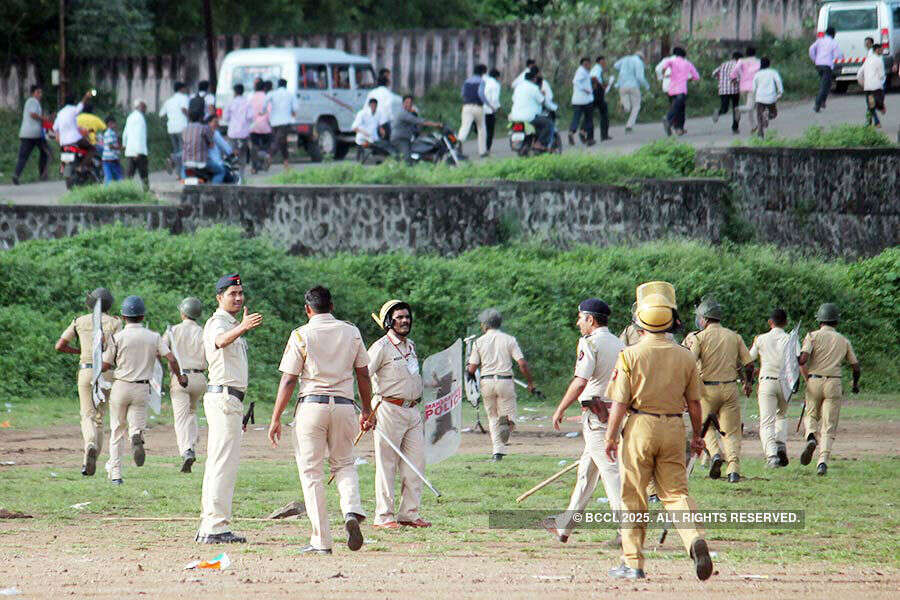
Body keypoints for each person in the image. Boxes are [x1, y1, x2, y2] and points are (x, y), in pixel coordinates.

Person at [604, 281, 713, 581]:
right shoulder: (685, 356)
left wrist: (610, 437)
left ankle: (633, 563)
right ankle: (693, 538)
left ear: (639, 320)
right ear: (671, 320)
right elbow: (695, 403)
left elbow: (619, 403)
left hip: (640, 427)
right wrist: (697, 436)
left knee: (634, 496)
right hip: (674, 427)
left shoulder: (629, 355)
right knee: (676, 493)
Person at [268, 286, 372, 554]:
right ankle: (351, 510)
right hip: (344, 406)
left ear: (307, 309)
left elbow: (289, 379)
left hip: (312, 407)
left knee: (312, 472)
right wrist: (367, 409)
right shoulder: (351, 332)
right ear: (332, 306)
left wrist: (276, 417)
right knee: (344, 463)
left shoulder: (301, 334)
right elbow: (363, 374)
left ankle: (321, 541)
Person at [545, 299, 624, 545]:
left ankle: (627, 531)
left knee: (611, 473)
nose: (578, 322)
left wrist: (560, 408)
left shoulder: (589, 343)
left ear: (590, 319)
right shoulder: (620, 343)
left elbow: (581, 381)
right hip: (615, 413)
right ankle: (564, 527)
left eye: (581, 318)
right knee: (586, 474)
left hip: (597, 417)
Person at [197, 274, 263, 544]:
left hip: (230, 399)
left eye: (240, 293)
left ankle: (208, 524)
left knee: (218, 462)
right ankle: (215, 527)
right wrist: (243, 327)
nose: (238, 297)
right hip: (223, 397)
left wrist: (241, 327)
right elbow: (220, 340)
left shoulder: (231, 324)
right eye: (232, 293)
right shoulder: (218, 322)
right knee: (223, 464)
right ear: (219, 298)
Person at [101, 295, 187, 485]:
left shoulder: (117, 337)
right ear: (142, 316)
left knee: (117, 430)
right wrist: (180, 376)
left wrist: (100, 354)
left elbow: (105, 365)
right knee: (136, 426)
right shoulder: (153, 337)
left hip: (121, 386)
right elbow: (171, 358)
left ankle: (116, 474)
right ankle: (136, 436)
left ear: (124, 317)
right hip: (142, 388)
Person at [367, 300, 430, 530]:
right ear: (388, 322)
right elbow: (363, 375)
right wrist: (367, 410)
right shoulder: (380, 347)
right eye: (399, 317)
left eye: (407, 317)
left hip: (413, 410)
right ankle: (384, 516)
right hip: (387, 409)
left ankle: (409, 514)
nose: (405, 321)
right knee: (387, 464)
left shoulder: (410, 346)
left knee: (416, 463)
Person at [683, 298, 753, 483]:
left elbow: (690, 362)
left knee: (705, 427)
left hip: (706, 389)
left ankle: (715, 454)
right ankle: (733, 470)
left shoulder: (699, 337)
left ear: (704, 319)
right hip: (730, 388)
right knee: (731, 431)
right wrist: (748, 383)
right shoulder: (734, 336)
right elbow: (749, 364)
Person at [54, 288, 122, 477]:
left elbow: (60, 345)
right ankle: (89, 460)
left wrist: (79, 352)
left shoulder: (79, 321)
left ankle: (89, 444)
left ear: (90, 303)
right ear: (109, 304)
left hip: (86, 370)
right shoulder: (115, 322)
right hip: (106, 372)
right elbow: (119, 347)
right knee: (99, 418)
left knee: (87, 415)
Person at [798, 303, 860, 476]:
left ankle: (811, 435)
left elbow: (803, 360)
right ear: (836, 322)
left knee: (811, 414)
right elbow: (856, 367)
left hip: (814, 381)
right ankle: (822, 461)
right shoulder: (843, 340)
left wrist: (796, 357)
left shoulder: (812, 336)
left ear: (820, 321)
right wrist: (855, 384)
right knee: (829, 424)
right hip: (834, 383)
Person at [466, 308, 535, 461]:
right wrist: (530, 383)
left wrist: (468, 372)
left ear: (485, 325)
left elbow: (472, 368)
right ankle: (507, 423)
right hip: (505, 381)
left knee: (492, 417)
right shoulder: (509, 340)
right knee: (509, 414)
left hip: (487, 381)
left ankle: (497, 452)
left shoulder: (479, 342)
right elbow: (522, 364)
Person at [163, 297, 208, 473]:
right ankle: (192, 441)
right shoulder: (203, 332)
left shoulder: (173, 330)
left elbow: (162, 350)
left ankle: (187, 450)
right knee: (192, 412)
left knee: (181, 418)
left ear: (183, 312)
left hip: (180, 377)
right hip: (199, 378)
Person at [748, 308, 792, 468]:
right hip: (785, 382)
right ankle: (780, 444)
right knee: (782, 416)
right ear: (785, 322)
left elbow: (749, 358)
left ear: (770, 322)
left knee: (767, 422)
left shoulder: (761, 339)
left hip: (767, 381)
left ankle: (772, 456)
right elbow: (796, 360)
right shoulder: (790, 339)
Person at [13, 84, 50, 184]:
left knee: (23, 156)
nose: (40, 94)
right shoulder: (33, 101)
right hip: (35, 134)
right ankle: (42, 174)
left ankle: (16, 175)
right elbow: (33, 114)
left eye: (41, 92)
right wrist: (44, 118)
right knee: (46, 152)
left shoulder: (30, 102)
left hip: (26, 134)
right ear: (33, 93)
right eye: (38, 92)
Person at [508, 69, 553, 151]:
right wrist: (551, 106)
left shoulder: (518, 88)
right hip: (530, 118)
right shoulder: (534, 88)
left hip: (515, 117)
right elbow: (543, 101)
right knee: (548, 124)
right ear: (534, 79)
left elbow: (513, 99)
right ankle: (539, 143)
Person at [659, 48, 699, 137]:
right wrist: (688, 78)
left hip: (671, 90)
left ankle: (676, 128)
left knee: (675, 107)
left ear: (675, 54)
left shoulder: (671, 61)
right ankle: (670, 120)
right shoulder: (687, 63)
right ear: (684, 55)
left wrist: (664, 74)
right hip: (681, 90)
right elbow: (696, 77)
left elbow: (664, 67)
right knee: (680, 110)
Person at [390, 95, 441, 163]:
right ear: (403, 103)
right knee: (407, 158)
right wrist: (436, 124)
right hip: (400, 139)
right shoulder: (403, 113)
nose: (409, 104)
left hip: (406, 139)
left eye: (410, 103)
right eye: (407, 102)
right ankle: (407, 167)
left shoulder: (409, 114)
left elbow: (416, 128)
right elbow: (419, 121)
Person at [182, 112, 224, 183]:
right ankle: (214, 189)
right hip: (201, 162)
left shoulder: (184, 129)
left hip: (187, 161)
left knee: (184, 169)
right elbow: (211, 145)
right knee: (221, 171)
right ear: (201, 117)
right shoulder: (204, 128)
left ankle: (184, 185)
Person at [614, 51, 650, 133]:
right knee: (636, 106)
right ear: (641, 58)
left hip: (622, 85)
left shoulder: (625, 59)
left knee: (627, 107)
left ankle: (624, 107)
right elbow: (639, 77)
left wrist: (623, 70)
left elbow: (615, 65)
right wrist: (647, 86)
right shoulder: (639, 62)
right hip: (633, 86)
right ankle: (629, 126)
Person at [458, 64, 489, 158]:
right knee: (481, 128)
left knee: (465, 127)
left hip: (466, 106)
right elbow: (481, 94)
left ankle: (457, 146)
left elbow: (462, 93)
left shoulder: (467, 81)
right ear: (483, 72)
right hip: (478, 107)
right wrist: (488, 104)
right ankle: (482, 151)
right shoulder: (481, 81)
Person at [809, 27, 843, 112]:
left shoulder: (820, 40)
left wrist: (814, 59)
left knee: (826, 84)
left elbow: (811, 49)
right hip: (827, 65)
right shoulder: (833, 42)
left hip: (818, 65)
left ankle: (822, 102)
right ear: (833, 34)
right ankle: (817, 104)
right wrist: (839, 59)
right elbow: (838, 55)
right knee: (824, 85)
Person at [52, 90, 95, 158]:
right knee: (92, 149)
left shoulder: (60, 113)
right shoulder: (73, 109)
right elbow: (81, 104)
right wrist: (86, 96)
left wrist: (59, 138)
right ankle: (82, 164)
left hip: (63, 142)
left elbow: (54, 128)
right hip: (75, 140)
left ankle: (65, 163)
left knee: (64, 159)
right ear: (74, 102)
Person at [159, 82, 190, 176]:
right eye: (185, 88)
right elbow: (184, 110)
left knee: (177, 150)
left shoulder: (169, 100)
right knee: (183, 151)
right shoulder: (184, 98)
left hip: (171, 129)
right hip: (182, 127)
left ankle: (178, 173)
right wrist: (190, 118)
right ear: (181, 89)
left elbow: (161, 114)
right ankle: (173, 162)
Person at [224, 84, 253, 177]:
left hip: (232, 133)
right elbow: (250, 117)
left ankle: (232, 175)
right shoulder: (247, 102)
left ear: (235, 92)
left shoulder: (230, 102)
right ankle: (241, 175)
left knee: (231, 153)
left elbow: (225, 117)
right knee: (243, 154)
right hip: (243, 133)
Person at [268, 79, 297, 168]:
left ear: (278, 85)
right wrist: (292, 115)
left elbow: (265, 103)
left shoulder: (272, 94)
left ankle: (286, 162)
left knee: (282, 141)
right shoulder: (290, 94)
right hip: (285, 122)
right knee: (279, 141)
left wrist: (263, 112)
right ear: (286, 85)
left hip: (273, 122)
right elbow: (295, 108)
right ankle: (269, 157)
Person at [122, 99, 149, 191]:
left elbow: (125, 133)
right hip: (139, 151)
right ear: (140, 106)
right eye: (144, 107)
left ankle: (125, 192)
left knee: (129, 175)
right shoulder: (140, 118)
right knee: (144, 175)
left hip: (130, 150)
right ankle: (146, 192)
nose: (145, 109)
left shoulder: (130, 117)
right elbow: (139, 135)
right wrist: (138, 151)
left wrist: (124, 145)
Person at [752, 57, 783, 139]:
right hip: (771, 98)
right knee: (774, 114)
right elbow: (778, 81)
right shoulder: (773, 72)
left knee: (759, 116)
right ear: (769, 64)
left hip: (760, 98)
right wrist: (780, 92)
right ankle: (768, 116)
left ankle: (760, 134)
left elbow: (753, 87)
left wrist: (754, 97)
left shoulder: (757, 74)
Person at [712, 52, 742, 134]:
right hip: (734, 90)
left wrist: (720, 79)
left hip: (723, 90)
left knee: (724, 108)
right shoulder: (738, 65)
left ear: (732, 57)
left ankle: (718, 112)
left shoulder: (723, 64)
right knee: (736, 109)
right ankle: (735, 128)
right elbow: (739, 77)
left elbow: (714, 73)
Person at [732, 47, 761, 132]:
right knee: (750, 106)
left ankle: (753, 127)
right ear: (755, 53)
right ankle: (738, 109)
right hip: (753, 86)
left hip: (743, 87)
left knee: (749, 107)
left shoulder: (741, 61)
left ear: (746, 53)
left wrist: (734, 78)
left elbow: (734, 71)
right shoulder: (759, 62)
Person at [858, 44, 886, 128]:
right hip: (876, 87)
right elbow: (882, 75)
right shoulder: (879, 60)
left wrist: (863, 84)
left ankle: (872, 122)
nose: (882, 51)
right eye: (881, 50)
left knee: (870, 105)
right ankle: (881, 108)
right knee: (873, 105)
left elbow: (859, 74)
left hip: (868, 87)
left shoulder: (867, 60)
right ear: (877, 50)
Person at [569, 57, 595, 146]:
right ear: (584, 64)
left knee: (576, 118)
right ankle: (587, 137)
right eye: (587, 64)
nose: (588, 65)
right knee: (589, 119)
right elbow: (575, 81)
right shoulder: (582, 71)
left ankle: (572, 132)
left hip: (577, 100)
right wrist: (584, 89)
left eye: (589, 64)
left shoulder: (583, 71)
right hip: (585, 100)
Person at [366, 70, 397, 140]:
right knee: (384, 144)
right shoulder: (390, 95)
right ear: (388, 83)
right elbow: (390, 112)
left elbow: (366, 108)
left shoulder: (371, 93)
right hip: (384, 125)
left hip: (371, 123)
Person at [249, 80, 272, 172]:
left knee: (255, 147)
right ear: (264, 88)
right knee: (265, 146)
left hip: (253, 126)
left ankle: (254, 167)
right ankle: (265, 157)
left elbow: (248, 113)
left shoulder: (250, 98)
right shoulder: (267, 98)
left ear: (255, 87)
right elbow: (270, 112)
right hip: (266, 126)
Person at [204, 114, 234, 182]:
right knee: (227, 176)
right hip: (213, 162)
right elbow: (226, 148)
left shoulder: (200, 131)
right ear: (209, 123)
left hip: (198, 162)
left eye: (217, 122)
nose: (217, 124)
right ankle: (214, 188)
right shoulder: (214, 133)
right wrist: (232, 153)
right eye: (215, 122)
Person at [590, 55, 611, 141]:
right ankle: (604, 135)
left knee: (596, 111)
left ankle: (604, 135)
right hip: (597, 93)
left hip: (596, 92)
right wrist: (601, 86)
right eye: (603, 61)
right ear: (600, 62)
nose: (605, 63)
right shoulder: (597, 68)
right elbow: (593, 77)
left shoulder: (598, 68)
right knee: (604, 112)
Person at [483, 68, 502, 153]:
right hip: (490, 111)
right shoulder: (495, 85)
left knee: (483, 130)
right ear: (497, 77)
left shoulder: (485, 82)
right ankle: (487, 148)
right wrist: (498, 109)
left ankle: (482, 147)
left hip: (481, 109)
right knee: (490, 130)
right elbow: (495, 99)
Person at [100, 115, 122, 185]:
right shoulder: (109, 133)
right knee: (114, 178)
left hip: (110, 159)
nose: (115, 125)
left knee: (112, 177)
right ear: (109, 123)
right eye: (114, 123)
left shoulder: (112, 133)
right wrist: (120, 148)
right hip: (110, 159)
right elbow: (111, 146)